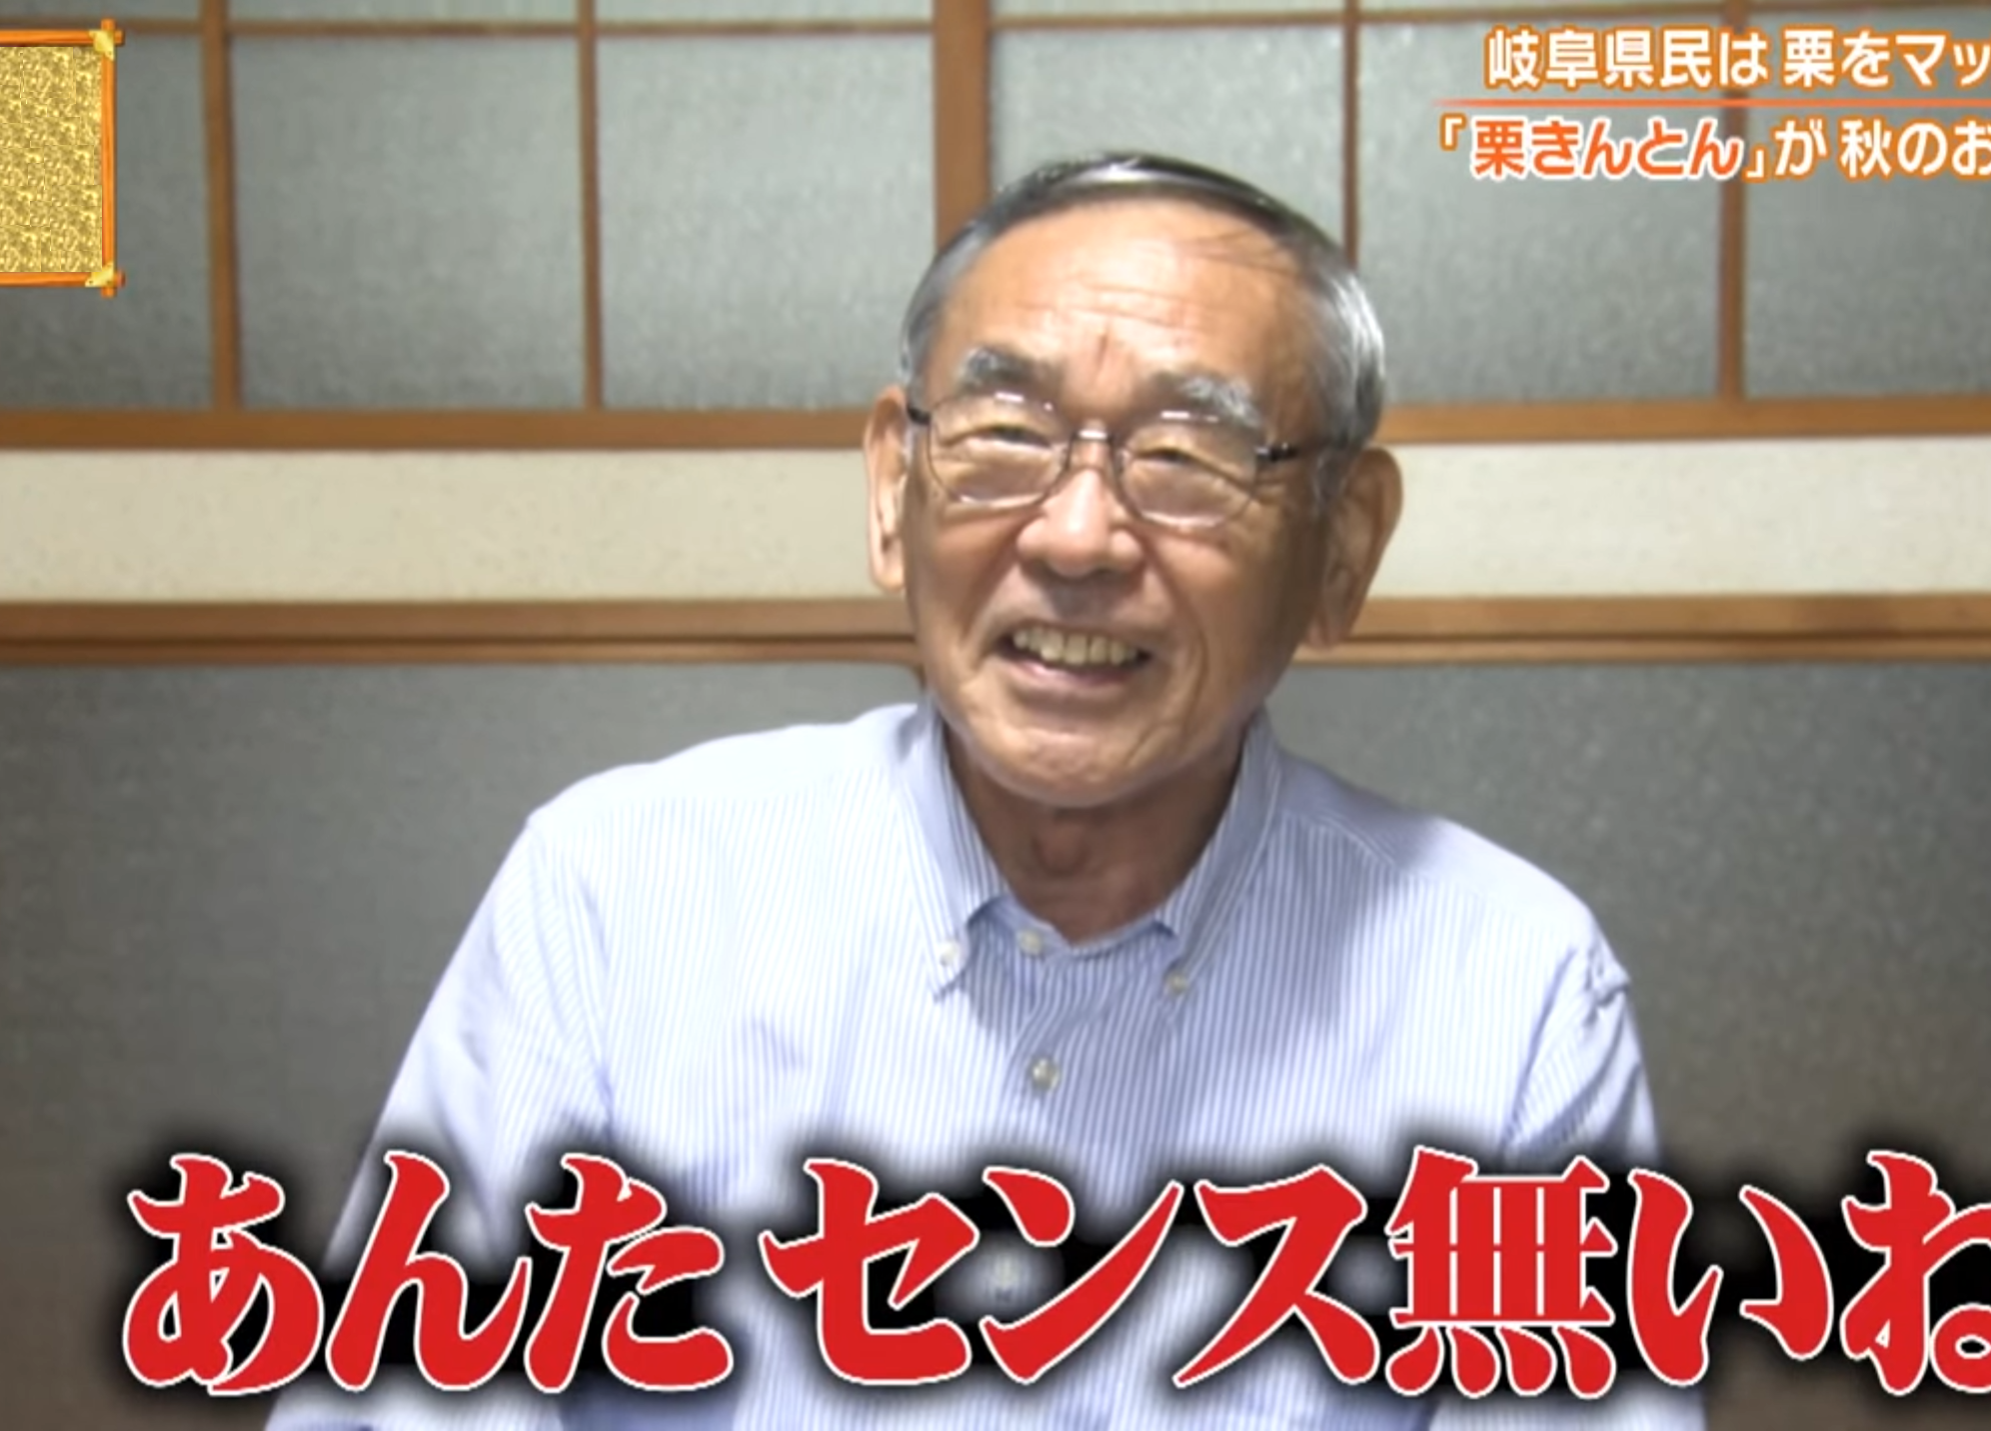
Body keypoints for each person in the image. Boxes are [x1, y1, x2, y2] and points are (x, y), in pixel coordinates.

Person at [270, 153, 1701, 1429]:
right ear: (892, 489)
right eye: (1006, 437)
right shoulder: (616, 892)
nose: (1077, 537)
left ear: (1343, 548)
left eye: (1189, 456)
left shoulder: (1507, 987)